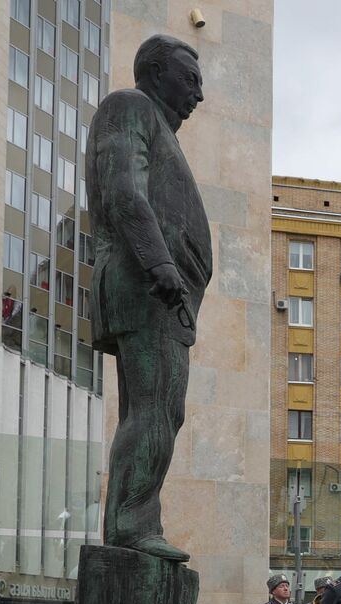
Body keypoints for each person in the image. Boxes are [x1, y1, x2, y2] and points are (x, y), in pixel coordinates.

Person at [88, 35, 210, 561]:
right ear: (156, 72)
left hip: (161, 292)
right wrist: (162, 266)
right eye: (190, 79)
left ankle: (138, 524)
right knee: (155, 409)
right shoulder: (131, 106)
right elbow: (124, 194)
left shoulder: (159, 126)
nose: (198, 95)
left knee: (160, 410)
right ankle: (131, 527)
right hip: (147, 285)